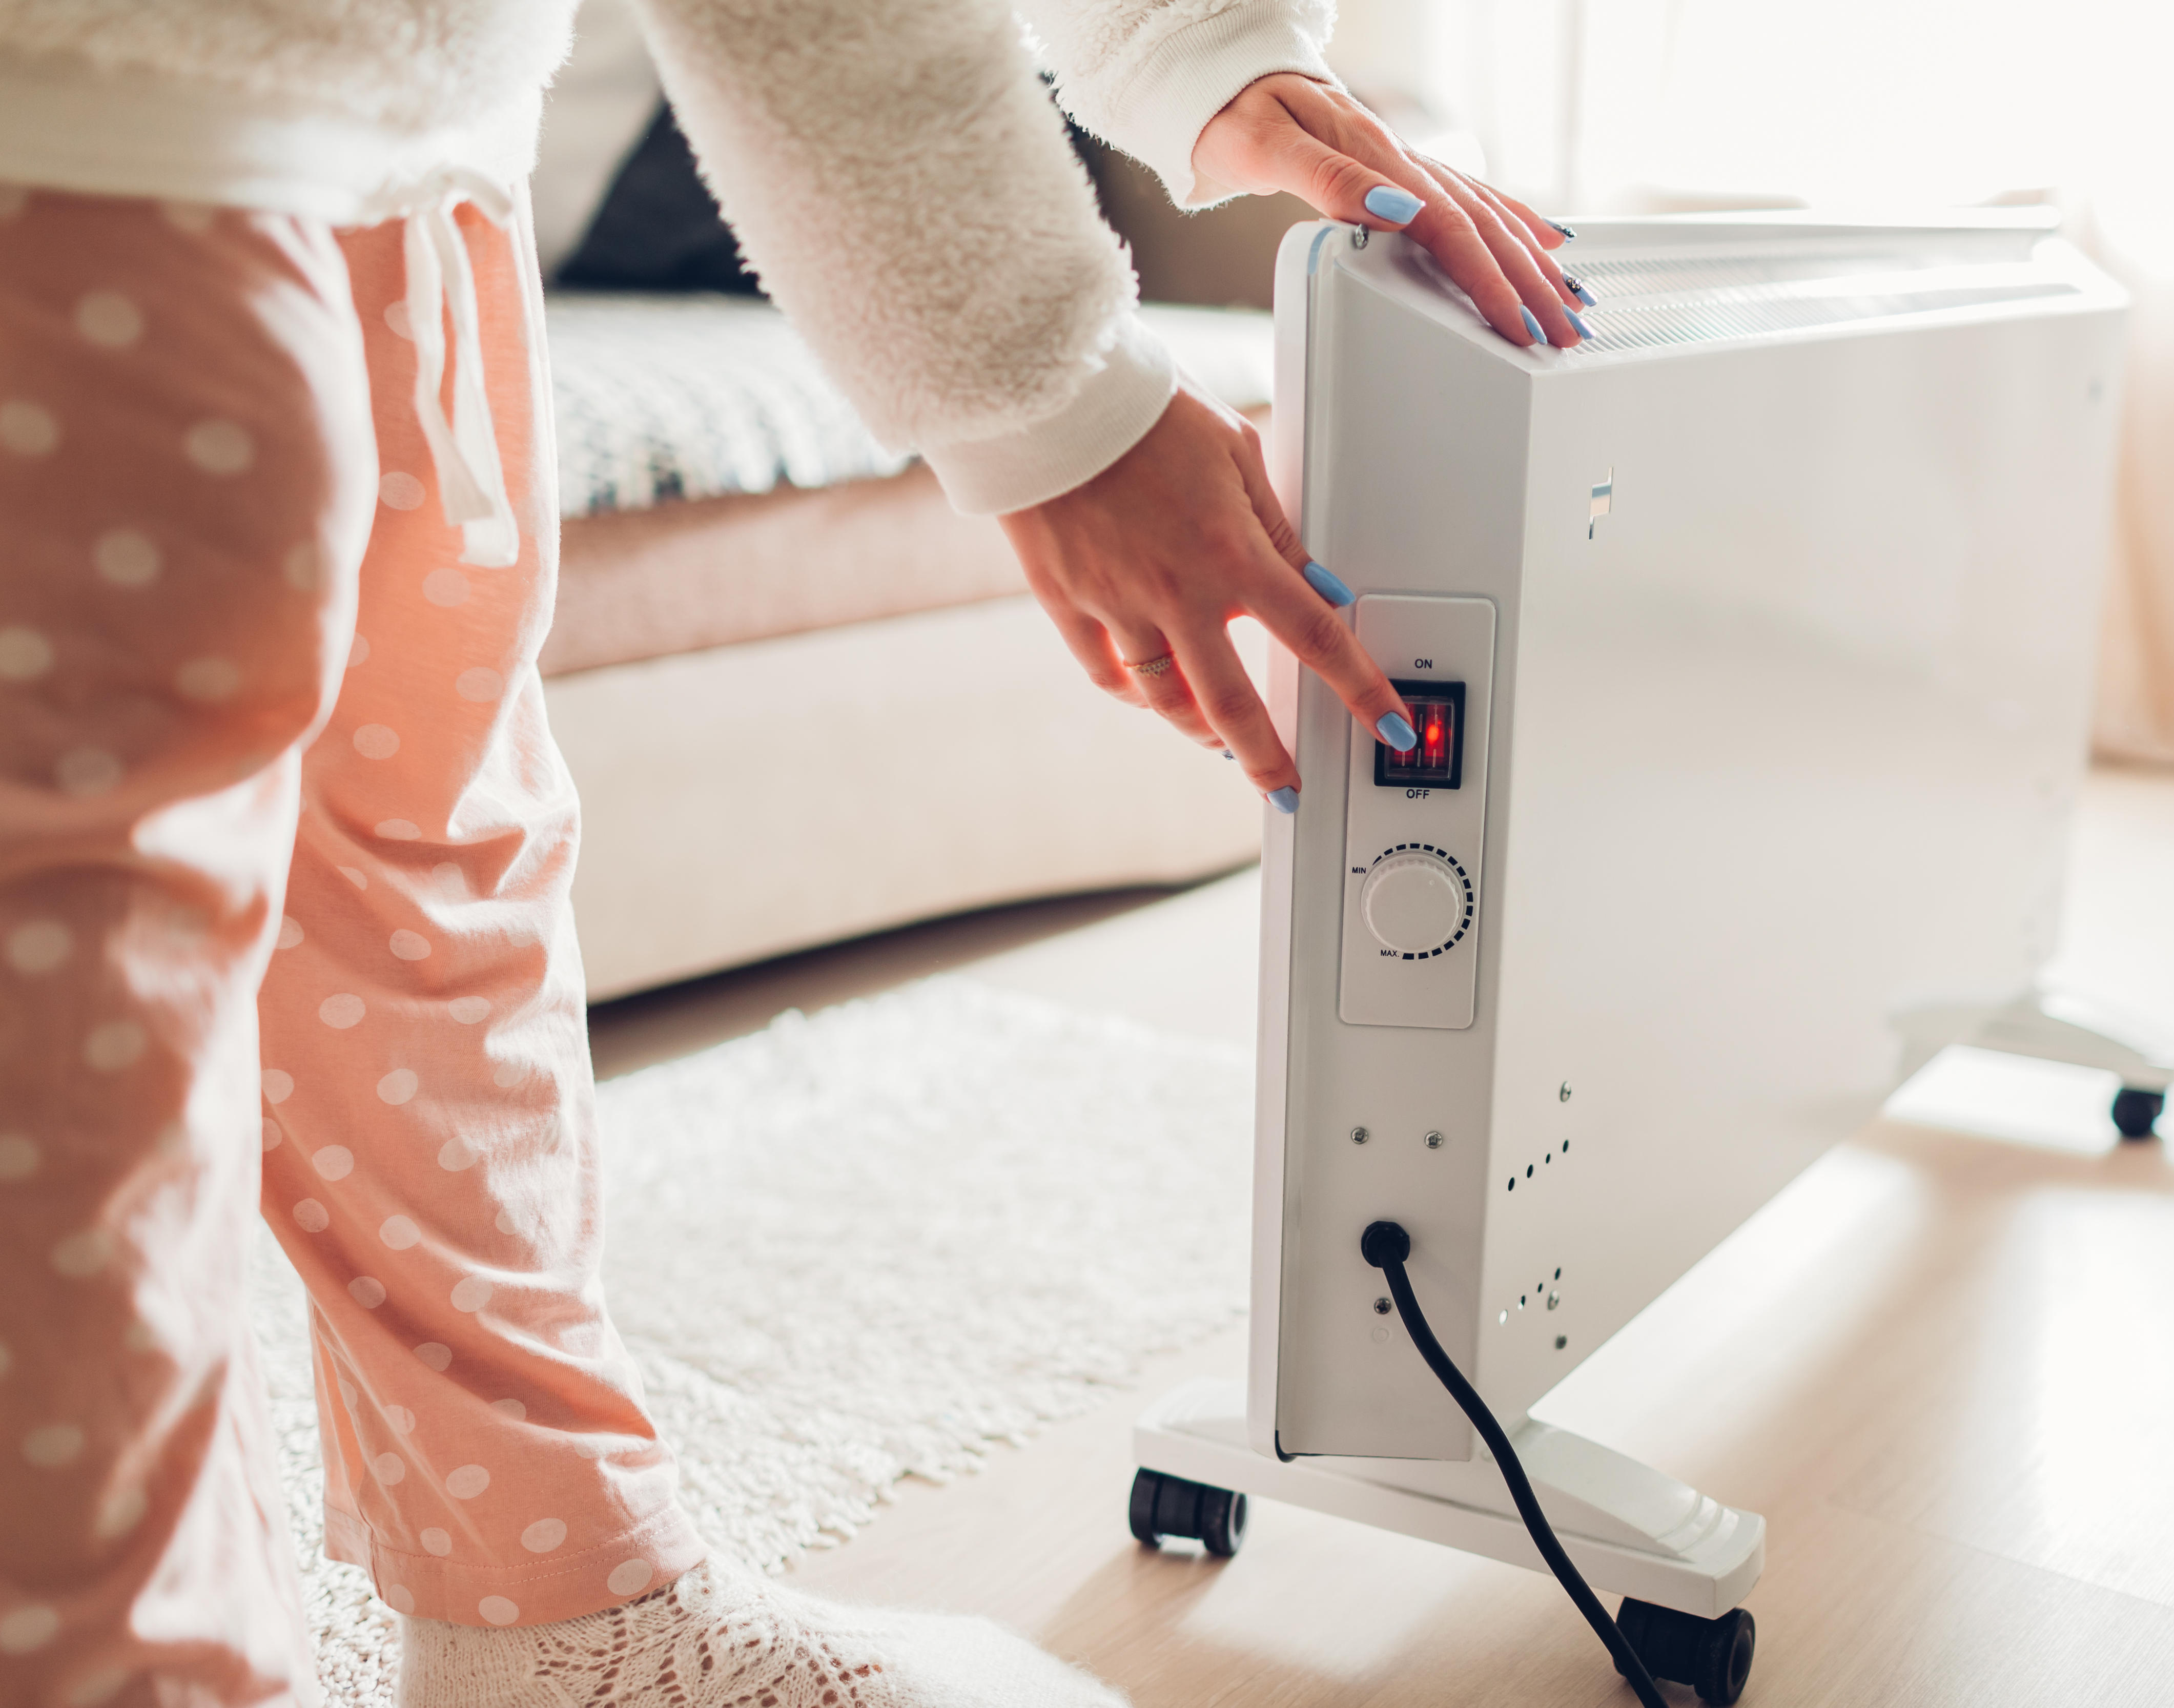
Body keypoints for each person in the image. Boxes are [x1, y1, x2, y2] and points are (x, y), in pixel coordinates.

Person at [0, 2, 1589, 1704]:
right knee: (78, 1021)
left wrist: (1200, 53)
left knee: (442, 883)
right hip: (97, 141)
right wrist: (1050, 389)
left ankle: (549, 1602)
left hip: (416, 141)